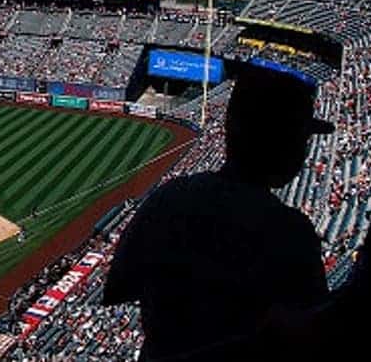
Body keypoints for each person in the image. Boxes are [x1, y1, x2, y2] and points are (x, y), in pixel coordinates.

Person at [102, 66, 336, 360]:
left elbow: (117, 289)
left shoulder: (170, 198)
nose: (303, 151)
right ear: (281, 143)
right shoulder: (290, 231)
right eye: (300, 138)